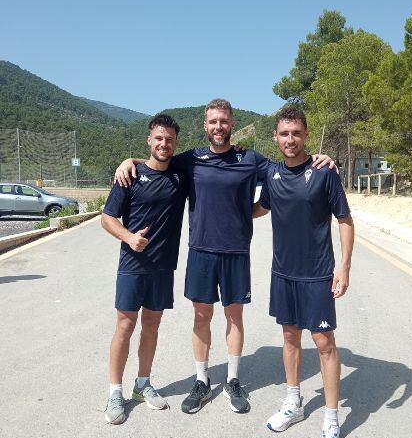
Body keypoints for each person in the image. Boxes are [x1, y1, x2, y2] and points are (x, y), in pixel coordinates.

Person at [115, 99, 335, 415]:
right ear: (205, 126)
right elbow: (157, 159)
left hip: (236, 252)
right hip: (201, 252)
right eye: (213, 121)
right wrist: (129, 160)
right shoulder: (190, 160)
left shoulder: (250, 159)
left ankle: (232, 380)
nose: (218, 126)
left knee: (234, 317)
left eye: (224, 121)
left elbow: (289, 165)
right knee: (201, 317)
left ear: (232, 124)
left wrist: (317, 159)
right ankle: (202, 380)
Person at [253, 104, 354, 438]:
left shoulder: (324, 171)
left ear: (306, 135)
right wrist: (220, 207)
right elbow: (260, 208)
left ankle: (331, 421)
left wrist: (344, 266)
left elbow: (344, 220)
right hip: (283, 273)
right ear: (276, 137)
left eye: (296, 133)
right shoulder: (272, 173)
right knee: (289, 336)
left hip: (317, 274)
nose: (290, 139)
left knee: (323, 342)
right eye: (284, 133)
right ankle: (294, 402)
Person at [102, 114, 188, 424]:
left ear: (175, 143)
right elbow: (107, 217)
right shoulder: (131, 176)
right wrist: (128, 237)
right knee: (124, 327)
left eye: (169, 140)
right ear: (149, 140)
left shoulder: (181, 176)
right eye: (159, 138)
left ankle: (142, 384)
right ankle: (115, 392)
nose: (164, 144)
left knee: (151, 327)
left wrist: (131, 158)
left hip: (163, 268)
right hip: (132, 266)